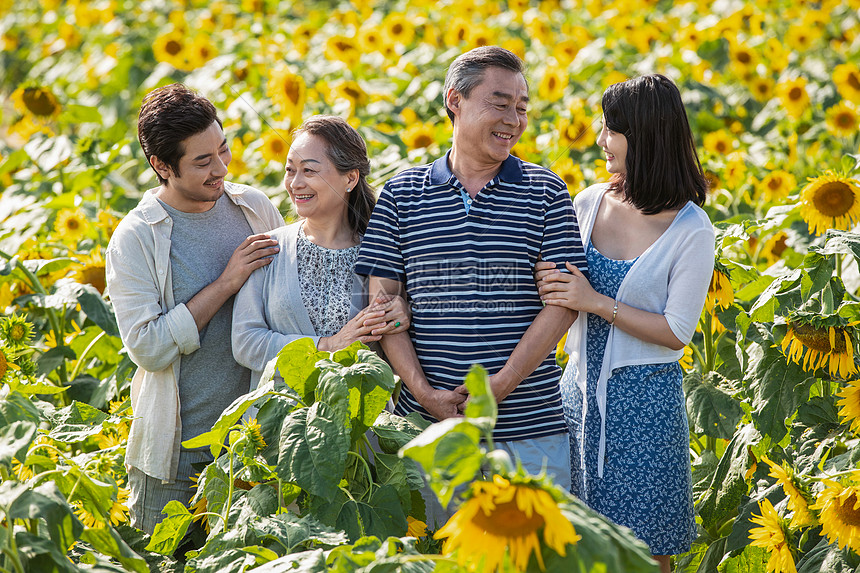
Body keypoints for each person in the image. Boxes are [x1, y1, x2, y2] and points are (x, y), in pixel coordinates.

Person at [354, 46, 587, 515]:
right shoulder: (402, 194)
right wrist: (425, 394)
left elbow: (562, 304)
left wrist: (499, 386)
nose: (514, 120)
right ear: (454, 100)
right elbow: (382, 308)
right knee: (434, 558)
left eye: (522, 108)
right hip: (426, 432)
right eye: (500, 104)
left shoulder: (546, 190)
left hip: (529, 427)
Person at [536, 74, 714, 572]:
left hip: (645, 405)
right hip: (577, 393)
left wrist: (595, 302)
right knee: (576, 541)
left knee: (645, 550)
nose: (600, 140)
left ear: (645, 135)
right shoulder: (589, 202)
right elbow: (559, 286)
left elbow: (676, 331)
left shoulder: (691, 228)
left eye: (610, 129)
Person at [105, 83, 283, 534]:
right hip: (176, 454)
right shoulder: (136, 238)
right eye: (202, 161)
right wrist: (226, 282)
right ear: (161, 166)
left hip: (252, 445)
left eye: (222, 150)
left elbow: (289, 298)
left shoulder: (254, 209)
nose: (220, 168)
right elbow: (148, 348)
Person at [232, 115, 410, 384]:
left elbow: (399, 344)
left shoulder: (380, 252)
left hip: (357, 419)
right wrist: (327, 345)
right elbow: (245, 343)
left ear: (350, 178)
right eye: (290, 170)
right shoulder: (268, 249)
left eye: (309, 170)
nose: (295, 183)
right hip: (279, 420)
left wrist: (403, 313)